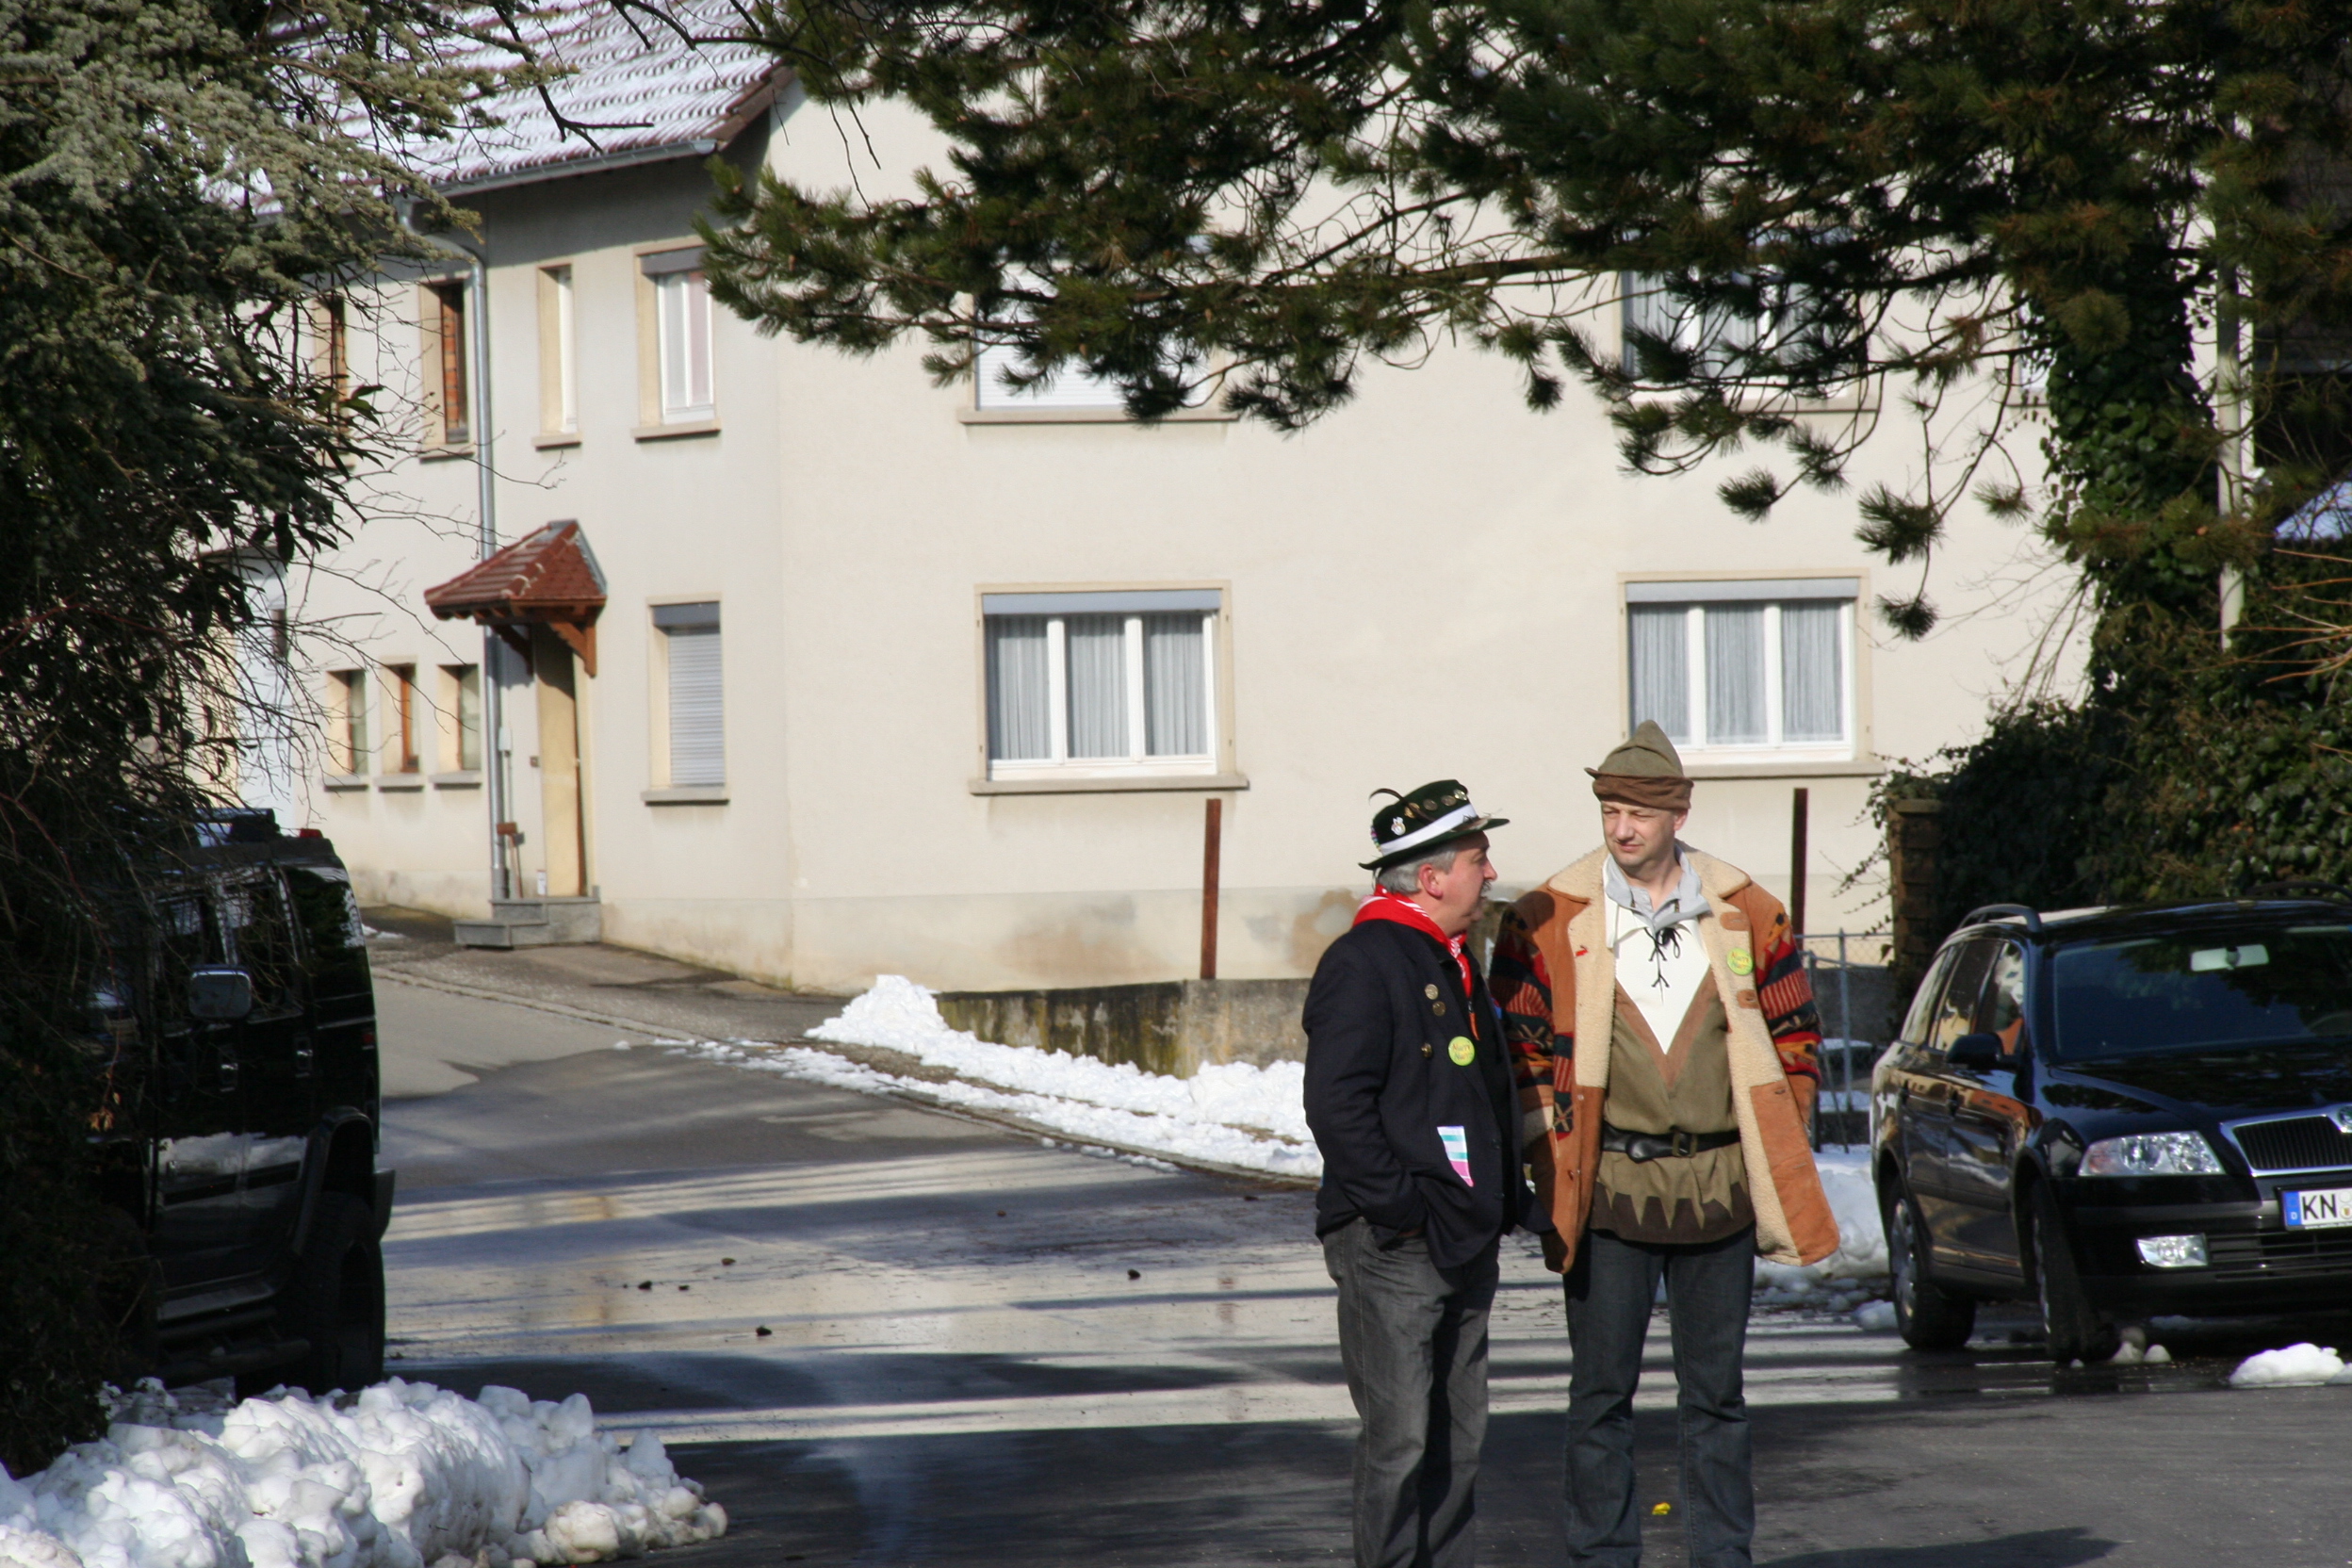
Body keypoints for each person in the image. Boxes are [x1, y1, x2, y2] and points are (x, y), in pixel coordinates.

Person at [1489, 724, 1837, 1568]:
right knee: (1599, 1396)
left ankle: (1723, 1555)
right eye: (1610, 811)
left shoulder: (1747, 911)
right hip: (1608, 1190)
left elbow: (1796, 1036)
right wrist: (1548, 1159)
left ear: (1679, 815)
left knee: (1716, 1398)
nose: (1621, 829)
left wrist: (1781, 1131)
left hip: (1721, 1186)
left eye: (1639, 814)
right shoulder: (1548, 917)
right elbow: (1519, 1052)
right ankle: (1604, 1554)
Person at [1304, 779, 1548, 1568]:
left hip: (1460, 1233)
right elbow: (1336, 1105)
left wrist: (1502, 1199)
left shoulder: (1451, 955)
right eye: (1479, 858)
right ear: (1433, 877)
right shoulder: (1365, 960)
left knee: (1459, 1440)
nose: (1491, 871)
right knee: (1401, 1442)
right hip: (1396, 1243)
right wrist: (1401, 1208)